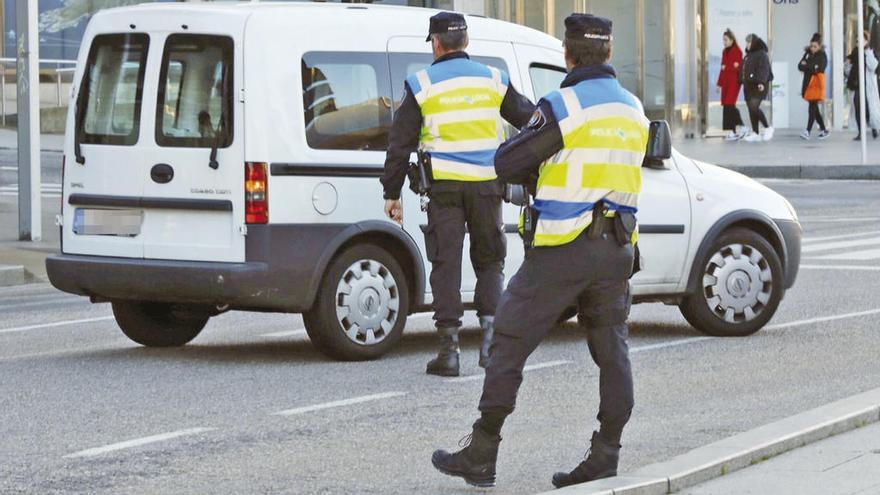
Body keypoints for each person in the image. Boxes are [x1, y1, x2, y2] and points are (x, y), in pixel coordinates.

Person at [430, 13, 649, 489]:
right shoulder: (633, 108)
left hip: (563, 248)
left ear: (568, 55)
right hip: (617, 250)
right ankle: (606, 452)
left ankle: (482, 451)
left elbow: (508, 162)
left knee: (508, 339)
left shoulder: (565, 104)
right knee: (612, 350)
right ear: (608, 53)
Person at [380, 12, 534, 377]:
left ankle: (449, 353)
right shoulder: (495, 80)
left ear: (436, 43)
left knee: (446, 264)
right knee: (490, 261)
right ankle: (490, 344)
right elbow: (531, 120)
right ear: (466, 42)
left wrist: (392, 192)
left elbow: (399, 143)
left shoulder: (421, 84)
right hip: (487, 187)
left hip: (444, 189)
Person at [847, 30, 880, 140]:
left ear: (866, 41)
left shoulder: (871, 51)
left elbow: (873, 66)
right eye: (857, 40)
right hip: (857, 84)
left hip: (868, 86)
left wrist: (867, 53)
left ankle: (874, 127)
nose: (858, 42)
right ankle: (861, 132)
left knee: (869, 108)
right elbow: (849, 68)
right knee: (857, 107)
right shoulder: (855, 52)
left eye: (860, 40)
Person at [741, 34, 774, 142]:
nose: (747, 44)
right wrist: (740, 80)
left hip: (758, 85)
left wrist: (761, 82)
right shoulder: (748, 55)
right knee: (751, 109)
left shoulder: (761, 54)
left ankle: (768, 127)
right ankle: (755, 133)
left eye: (749, 42)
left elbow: (764, 69)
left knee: (754, 107)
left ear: (754, 42)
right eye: (746, 42)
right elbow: (744, 70)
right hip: (748, 86)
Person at [798, 33, 830, 140]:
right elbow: (800, 66)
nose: (812, 48)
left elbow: (820, 68)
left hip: (816, 85)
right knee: (814, 109)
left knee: (812, 108)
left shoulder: (822, 55)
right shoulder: (807, 54)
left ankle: (807, 131)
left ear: (819, 46)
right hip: (807, 85)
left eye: (815, 46)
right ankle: (824, 129)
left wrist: (807, 65)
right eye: (811, 46)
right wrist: (811, 66)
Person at [717, 29, 745, 140]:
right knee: (726, 105)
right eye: (723, 40)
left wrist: (728, 67)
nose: (724, 42)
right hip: (726, 83)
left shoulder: (738, 51)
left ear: (732, 40)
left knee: (730, 104)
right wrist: (719, 84)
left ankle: (742, 126)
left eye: (726, 40)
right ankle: (732, 131)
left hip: (734, 82)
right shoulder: (724, 52)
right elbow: (723, 69)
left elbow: (737, 68)